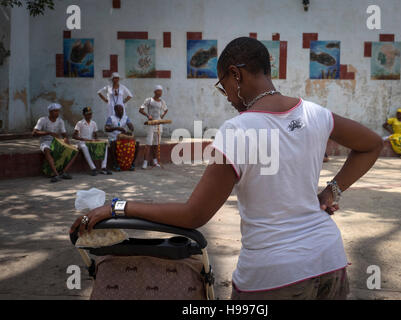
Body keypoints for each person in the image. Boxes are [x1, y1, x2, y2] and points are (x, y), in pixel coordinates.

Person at [71, 37, 383, 300]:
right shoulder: (315, 114)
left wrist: (117, 206)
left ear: (236, 75)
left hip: (274, 276)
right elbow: (371, 144)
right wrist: (332, 190)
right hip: (330, 261)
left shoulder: (238, 130)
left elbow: (194, 214)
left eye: (224, 87)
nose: (228, 98)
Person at [33, 103, 78, 182]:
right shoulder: (42, 120)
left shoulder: (60, 121)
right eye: (55, 111)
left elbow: (64, 134)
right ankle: (56, 174)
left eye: (58, 111)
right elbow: (34, 133)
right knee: (47, 150)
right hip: (45, 141)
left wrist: (65, 139)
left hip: (57, 141)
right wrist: (48, 133)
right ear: (50, 112)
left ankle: (64, 172)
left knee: (75, 150)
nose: (57, 113)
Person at [73, 107, 112, 176]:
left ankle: (103, 167)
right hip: (82, 142)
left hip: (91, 142)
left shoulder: (94, 123)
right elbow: (74, 136)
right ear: (84, 115)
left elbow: (95, 136)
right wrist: (83, 139)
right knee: (84, 147)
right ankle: (93, 168)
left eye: (90, 114)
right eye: (88, 114)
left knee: (105, 145)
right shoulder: (80, 123)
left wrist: (97, 140)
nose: (89, 116)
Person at [139, 85, 169, 168]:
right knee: (149, 143)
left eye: (161, 91)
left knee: (156, 143)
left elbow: (166, 110)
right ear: (155, 92)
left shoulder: (162, 101)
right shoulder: (149, 100)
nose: (160, 93)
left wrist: (161, 117)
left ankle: (155, 161)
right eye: (158, 91)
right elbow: (141, 109)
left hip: (159, 124)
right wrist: (147, 115)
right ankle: (145, 162)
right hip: (151, 124)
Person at [105, 104, 139, 171]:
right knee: (113, 144)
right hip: (113, 138)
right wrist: (116, 128)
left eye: (122, 110)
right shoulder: (111, 118)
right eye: (119, 110)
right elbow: (106, 128)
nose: (121, 111)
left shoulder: (125, 118)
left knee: (137, 144)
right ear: (115, 111)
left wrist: (130, 129)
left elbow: (131, 127)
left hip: (122, 138)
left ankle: (132, 163)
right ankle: (115, 164)